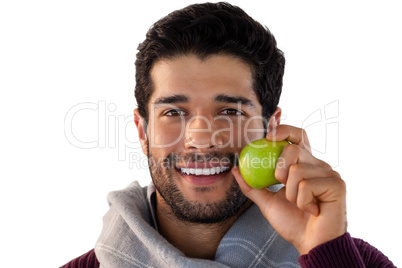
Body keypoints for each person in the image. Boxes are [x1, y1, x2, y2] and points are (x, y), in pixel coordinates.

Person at [61, 2, 395, 267]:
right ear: (142, 130)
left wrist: (325, 251)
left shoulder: (351, 261)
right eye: (173, 112)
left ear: (271, 128)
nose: (202, 139)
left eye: (230, 112)